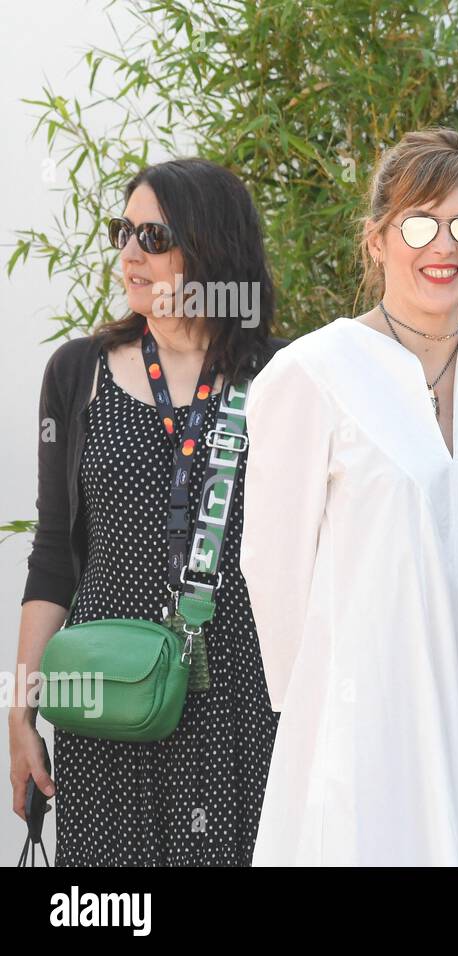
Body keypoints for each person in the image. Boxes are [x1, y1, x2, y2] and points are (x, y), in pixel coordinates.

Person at [240, 127, 458, 866]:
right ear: (376, 241)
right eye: (419, 223)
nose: (445, 245)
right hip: (370, 736)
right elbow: (273, 573)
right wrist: (332, 719)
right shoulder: (311, 375)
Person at [10, 158, 282, 865]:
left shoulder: (284, 378)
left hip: (241, 696)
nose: (129, 254)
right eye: (121, 232)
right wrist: (22, 708)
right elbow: (53, 558)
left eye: (153, 237)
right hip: (108, 691)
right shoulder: (78, 373)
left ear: (213, 248)